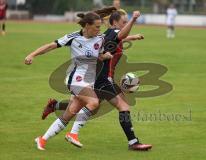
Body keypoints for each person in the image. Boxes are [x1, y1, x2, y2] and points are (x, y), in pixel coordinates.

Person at [42, 10, 152, 151]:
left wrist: (132, 37)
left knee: (80, 108)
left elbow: (118, 38)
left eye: (126, 22)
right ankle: (133, 142)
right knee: (123, 106)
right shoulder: (113, 32)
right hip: (103, 79)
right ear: (114, 23)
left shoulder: (104, 35)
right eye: (123, 22)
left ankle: (55, 107)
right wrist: (133, 20)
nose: (125, 24)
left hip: (94, 78)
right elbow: (120, 35)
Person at [25, 12, 113, 150]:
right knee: (94, 102)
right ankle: (73, 134)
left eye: (100, 27)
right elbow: (50, 46)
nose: (99, 30)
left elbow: (98, 56)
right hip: (76, 80)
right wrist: (32, 54)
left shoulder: (100, 38)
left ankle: (42, 139)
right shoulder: (73, 38)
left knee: (69, 113)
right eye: (96, 27)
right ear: (87, 26)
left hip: (89, 81)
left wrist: (105, 56)